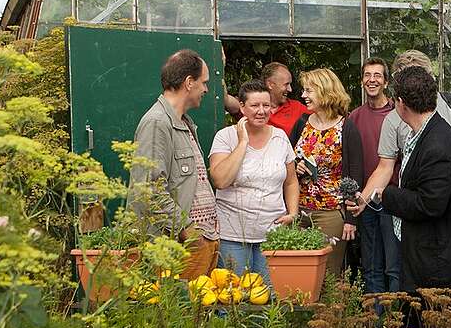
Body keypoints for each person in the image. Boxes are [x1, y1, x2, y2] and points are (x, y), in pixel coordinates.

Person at [358, 66, 451, 295]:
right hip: (430, 249)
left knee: (439, 325)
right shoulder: (424, 133)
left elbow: (431, 204)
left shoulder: (436, 143)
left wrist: (387, 195)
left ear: (401, 103)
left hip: (438, 257)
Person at [352, 50, 451, 223]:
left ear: (429, 77)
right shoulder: (393, 117)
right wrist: (363, 199)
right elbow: (385, 167)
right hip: (419, 204)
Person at [128, 49, 219, 279]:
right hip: (178, 248)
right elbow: (148, 190)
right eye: (203, 82)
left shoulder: (184, 122)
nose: (206, 89)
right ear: (189, 82)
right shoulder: (157, 123)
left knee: (202, 312)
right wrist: (186, 229)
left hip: (199, 242)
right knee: (181, 312)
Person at [209, 80, 299, 288]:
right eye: (255, 106)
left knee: (271, 299)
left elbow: (291, 182)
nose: (261, 111)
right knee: (233, 298)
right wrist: (243, 143)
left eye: (266, 105)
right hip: (233, 236)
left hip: (273, 234)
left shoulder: (280, 138)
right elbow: (221, 180)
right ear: (242, 107)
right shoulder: (226, 137)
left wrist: (292, 212)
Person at [289, 68, 364, 278]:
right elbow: (286, 161)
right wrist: (296, 167)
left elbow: (355, 177)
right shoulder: (302, 124)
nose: (303, 95)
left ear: (325, 92)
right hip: (300, 210)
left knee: (327, 276)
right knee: (299, 277)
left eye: (309, 90)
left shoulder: (346, 127)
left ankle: (330, 312)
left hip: (330, 214)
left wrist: (351, 218)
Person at [347, 57, 402, 294]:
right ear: (362, 81)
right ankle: (375, 321)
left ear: (386, 82)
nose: (372, 80)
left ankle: (397, 322)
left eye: (377, 75)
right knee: (371, 266)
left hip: (391, 198)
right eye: (367, 75)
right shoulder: (354, 117)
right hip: (364, 201)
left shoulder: (398, 115)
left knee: (394, 266)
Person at [262, 62, 309, 137]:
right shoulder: (253, 107)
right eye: (286, 84)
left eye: (290, 84)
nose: (290, 89)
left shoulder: (297, 107)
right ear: (270, 84)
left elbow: (323, 116)